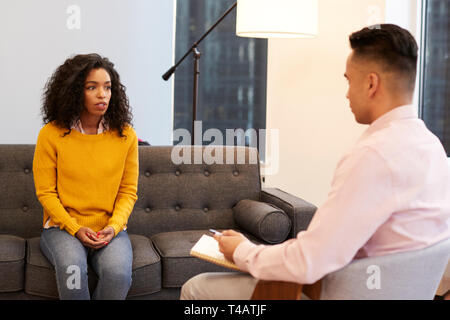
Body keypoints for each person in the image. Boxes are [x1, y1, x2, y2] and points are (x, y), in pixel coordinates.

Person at [181, 24, 450, 300]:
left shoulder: (373, 156)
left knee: (197, 288)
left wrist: (241, 251)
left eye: (348, 80)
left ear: (371, 83)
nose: (346, 93)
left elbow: (308, 263)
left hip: (335, 292)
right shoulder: (431, 148)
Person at [33, 53, 138, 300]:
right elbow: (46, 193)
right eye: (92, 87)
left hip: (109, 228)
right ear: (74, 91)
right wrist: (75, 228)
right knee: (73, 273)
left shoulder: (126, 136)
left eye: (107, 87)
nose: (103, 94)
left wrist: (113, 227)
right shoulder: (51, 134)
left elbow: (128, 191)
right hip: (62, 228)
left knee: (119, 275)